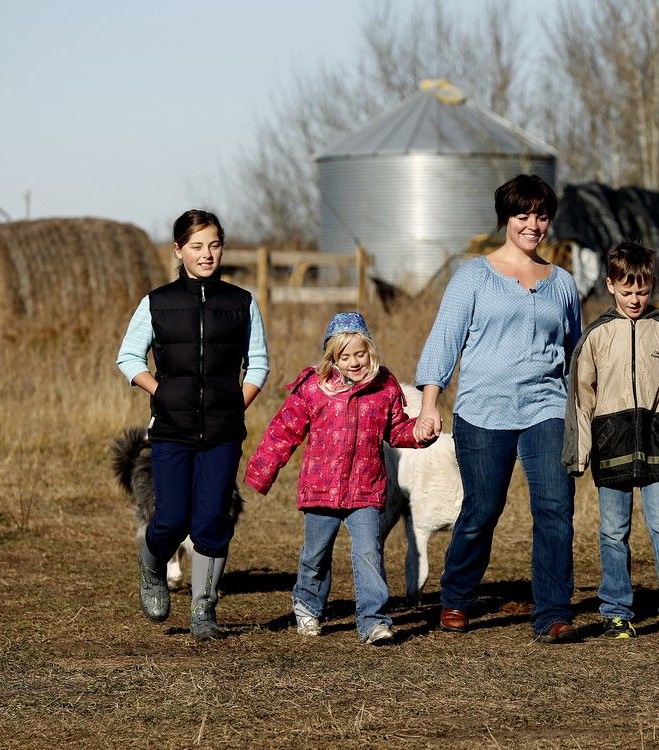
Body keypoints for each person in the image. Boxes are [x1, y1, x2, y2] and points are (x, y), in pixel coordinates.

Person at [413, 174, 583, 643]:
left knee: (555, 507)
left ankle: (552, 612)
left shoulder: (563, 284)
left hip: (547, 407)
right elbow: (444, 341)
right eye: (522, 215)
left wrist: (585, 411)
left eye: (541, 216)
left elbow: (576, 355)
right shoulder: (473, 276)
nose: (533, 225)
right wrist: (430, 404)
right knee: (483, 509)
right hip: (483, 410)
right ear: (505, 219)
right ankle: (456, 595)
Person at [116, 209, 269, 641]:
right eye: (197, 246)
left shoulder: (241, 303)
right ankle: (151, 568)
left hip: (223, 434)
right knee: (169, 519)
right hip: (170, 431)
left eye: (214, 245)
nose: (206, 254)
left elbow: (259, 363)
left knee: (212, 522)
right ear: (178, 250)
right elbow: (128, 357)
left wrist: (236, 405)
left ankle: (204, 612)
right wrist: (159, 391)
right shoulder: (157, 302)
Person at [563, 241, 659, 640]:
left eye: (643, 291)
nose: (635, 299)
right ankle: (616, 611)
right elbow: (581, 397)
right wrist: (578, 453)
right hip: (611, 446)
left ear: (652, 286)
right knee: (613, 531)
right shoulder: (596, 335)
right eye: (627, 291)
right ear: (610, 285)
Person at [243, 312, 430, 645]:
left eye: (360, 354)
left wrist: (419, 433)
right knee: (316, 554)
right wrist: (262, 469)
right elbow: (284, 430)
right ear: (332, 358)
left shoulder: (384, 387)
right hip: (321, 488)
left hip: (365, 488)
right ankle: (308, 605)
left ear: (370, 351)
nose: (354, 362)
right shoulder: (314, 388)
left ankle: (373, 621)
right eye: (345, 357)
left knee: (369, 552)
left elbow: (396, 429)